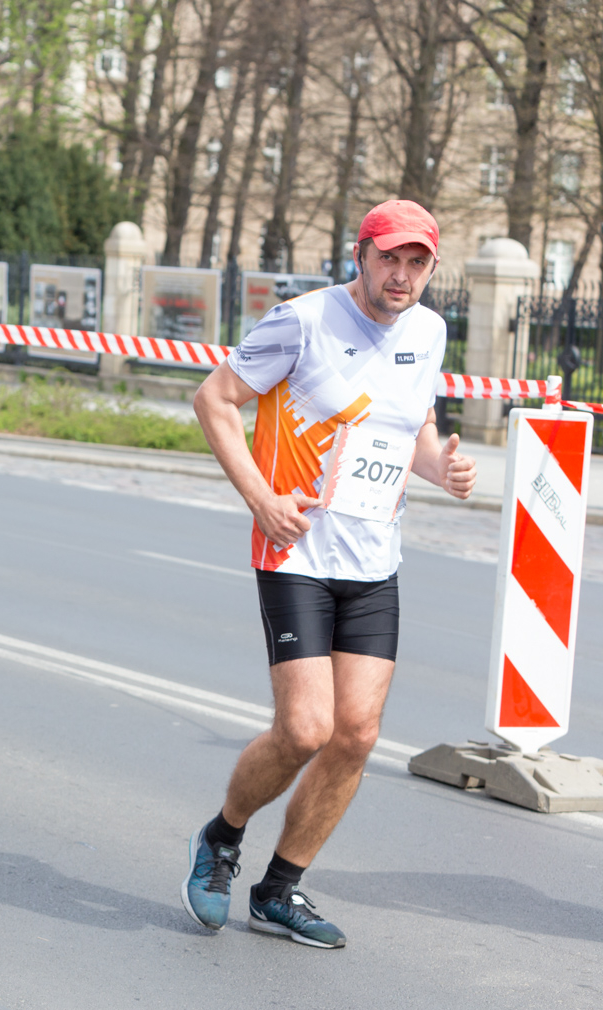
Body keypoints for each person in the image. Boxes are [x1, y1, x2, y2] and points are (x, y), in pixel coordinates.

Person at [183, 200, 477, 949]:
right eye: (389, 258)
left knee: (356, 734)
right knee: (306, 727)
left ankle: (280, 889)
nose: (401, 274)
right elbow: (214, 399)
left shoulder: (430, 331)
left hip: (375, 560)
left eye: (416, 262)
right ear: (361, 255)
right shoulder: (302, 321)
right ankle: (222, 836)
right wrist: (261, 497)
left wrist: (441, 464)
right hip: (297, 552)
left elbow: (413, 426)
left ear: (430, 268)